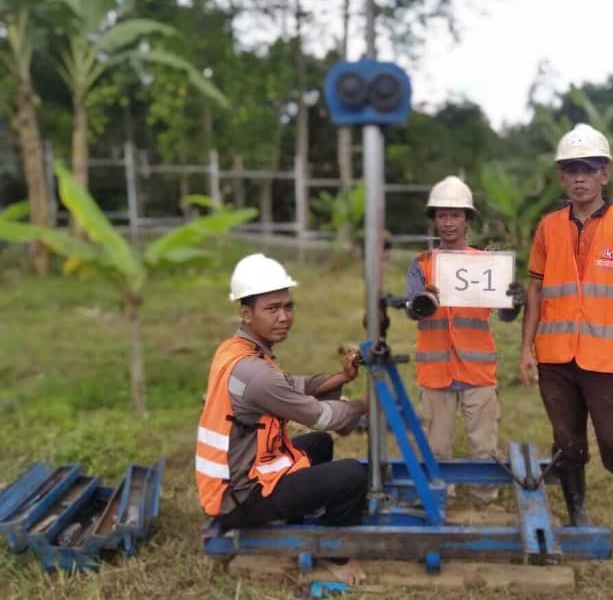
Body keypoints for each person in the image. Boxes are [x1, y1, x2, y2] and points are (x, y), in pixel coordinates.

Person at [518, 124, 613, 564]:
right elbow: (536, 290)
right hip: (555, 358)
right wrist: (526, 348)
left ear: (605, 173)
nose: (579, 177)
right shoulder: (548, 227)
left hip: (607, 361)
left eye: (588, 168)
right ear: (560, 178)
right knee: (567, 445)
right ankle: (578, 514)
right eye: (570, 170)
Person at [195, 253, 369, 583]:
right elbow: (318, 415)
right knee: (352, 475)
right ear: (246, 314)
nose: (284, 317)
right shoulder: (254, 373)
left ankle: (294, 516)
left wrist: (341, 378)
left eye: (288, 307)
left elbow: (291, 386)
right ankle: (333, 553)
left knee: (318, 445)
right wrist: (362, 406)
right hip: (240, 498)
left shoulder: (238, 350)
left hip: (238, 476)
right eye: (272, 309)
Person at [405, 176, 525, 504]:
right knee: (435, 446)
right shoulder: (422, 264)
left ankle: (484, 499)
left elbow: (505, 316)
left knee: (483, 445)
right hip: (436, 371)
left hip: (477, 369)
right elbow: (411, 310)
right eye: (442, 215)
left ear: (467, 220)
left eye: (455, 215)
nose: (447, 223)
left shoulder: (486, 265)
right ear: (434, 220)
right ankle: (437, 499)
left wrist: (515, 300)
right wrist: (421, 300)